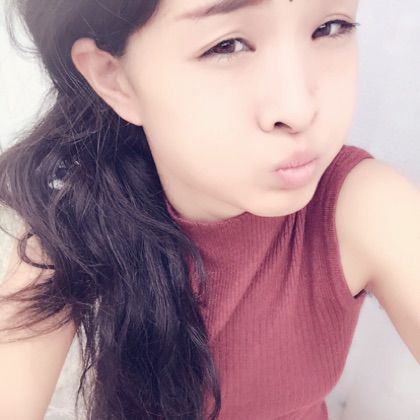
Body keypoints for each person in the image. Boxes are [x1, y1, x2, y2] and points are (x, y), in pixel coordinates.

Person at [1, 1, 419, 419]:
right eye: (227, 45)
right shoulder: (74, 230)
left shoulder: (361, 207)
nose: (298, 110)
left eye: (330, 27)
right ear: (115, 79)